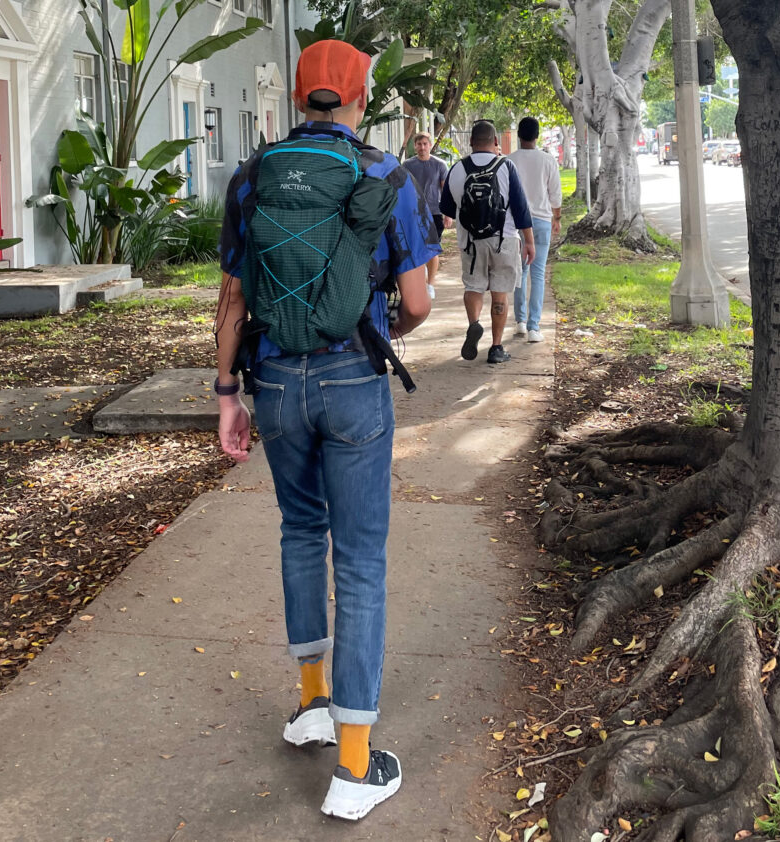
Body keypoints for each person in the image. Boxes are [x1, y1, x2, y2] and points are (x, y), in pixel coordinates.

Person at [214, 38, 436, 821]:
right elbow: (416, 302)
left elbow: (234, 300)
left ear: (300, 95)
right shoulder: (385, 176)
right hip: (351, 381)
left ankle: (311, 705)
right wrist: (383, 328)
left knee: (300, 533)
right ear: (357, 97)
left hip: (271, 380)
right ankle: (353, 765)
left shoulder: (252, 178)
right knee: (363, 562)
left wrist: (225, 395)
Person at [439, 120, 535, 364]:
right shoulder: (506, 166)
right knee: (500, 294)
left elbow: (447, 210)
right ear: (495, 142)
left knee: (473, 287)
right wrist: (530, 242)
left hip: (471, 242)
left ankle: (474, 323)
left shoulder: (457, 169)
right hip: (504, 240)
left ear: (471, 142)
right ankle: (496, 347)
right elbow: (522, 209)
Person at [508, 117, 562, 343]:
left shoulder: (509, 161)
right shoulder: (548, 160)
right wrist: (557, 218)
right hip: (541, 221)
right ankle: (534, 327)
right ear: (537, 136)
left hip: (516, 224)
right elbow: (555, 194)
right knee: (538, 273)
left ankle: (520, 322)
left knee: (520, 273)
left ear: (519, 135)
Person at [402, 132, 451, 299]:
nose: (422, 147)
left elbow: (445, 190)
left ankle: (430, 284)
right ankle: (419, 283)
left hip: (435, 212)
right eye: (419, 144)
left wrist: (448, 213)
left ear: (430, 146)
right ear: (414, 146)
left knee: (432, 249)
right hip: (414, 212)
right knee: (416, 248)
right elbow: (403, 188)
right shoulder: (407, 165)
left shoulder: (440, 165)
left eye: (425, 144)